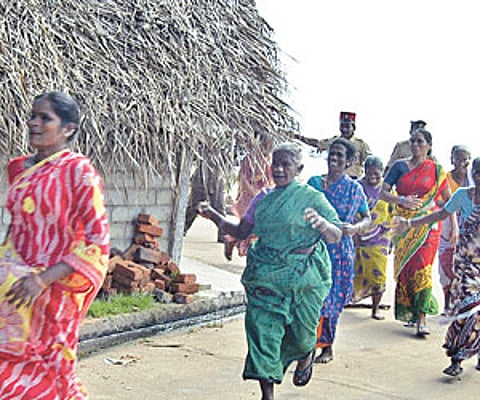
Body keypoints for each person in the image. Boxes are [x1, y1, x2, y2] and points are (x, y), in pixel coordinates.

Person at [197, 142, 342, 400]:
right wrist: (214, 216)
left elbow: (335, 235)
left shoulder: (313, 198)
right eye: (275, 163)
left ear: (298, 168)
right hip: (265, 276)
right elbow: (242, 231)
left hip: (303, 278)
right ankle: (267, 394)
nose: (278, 169)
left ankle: (305, 353)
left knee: (302, 336)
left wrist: (321, 224)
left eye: (285, 164)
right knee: (261, 330)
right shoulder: (263, 199)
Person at [0, 91, 110, 398]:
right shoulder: (18, 169)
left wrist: (42, 279)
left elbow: (97, 240)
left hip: (54, 290)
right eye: (32, 116)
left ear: (68, 128)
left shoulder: (79, 172)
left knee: (50, 366)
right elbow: (17, 227)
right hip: (15, 288)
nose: (34, 123)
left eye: (45, 118)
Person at [392, 156, 480, 377]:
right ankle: (457, 357)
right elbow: (441, 214)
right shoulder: (463, 195)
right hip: (465, 264)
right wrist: (410, 223)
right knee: (466, 309)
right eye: (477, 172)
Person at [380, 128, 453, 337]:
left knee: (423, 269)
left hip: (428, 227)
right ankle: (411, 311)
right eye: (412, 141)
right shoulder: (399, 166)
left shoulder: (437, 170)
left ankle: (422, 318)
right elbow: (383, 192)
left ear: (429, 146)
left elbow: (448, 201)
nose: (415, 145)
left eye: (420, 142)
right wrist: (401, 200)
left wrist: (453, 226)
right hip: (402, 224)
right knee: (406, 270)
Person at [306, 137, 371, 363]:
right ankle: (306, 345)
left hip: (339, 251)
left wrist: (354, 228)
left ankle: (326, 346)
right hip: (313, 247)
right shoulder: (314, 183)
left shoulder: (354, 190)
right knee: (310, 296)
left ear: (349, 162)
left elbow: (367, 219)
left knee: (330, 299)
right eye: (331, 154)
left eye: (339, 156)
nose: (333, 159)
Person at [352, 156, 392, 320]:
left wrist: (393, 239)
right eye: (369, 173)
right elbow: (351, 212)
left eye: (376, 174)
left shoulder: (388, 190)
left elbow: (392, 213)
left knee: (378, 275)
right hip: (359, 236)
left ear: (382, 173)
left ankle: (375, 309)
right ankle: (349, 300)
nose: (372, 177)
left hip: (381, 239)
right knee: (355, 273)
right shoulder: (356, 187)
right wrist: (354, 234)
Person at [224, 141, 274, 260]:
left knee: (257, 229)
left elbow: (271, 181)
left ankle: (235, 241)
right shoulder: (249, 159)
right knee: (249, 226)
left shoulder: (270, 160)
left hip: (263, 198)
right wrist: (254, 193)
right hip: (249, 198)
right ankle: (233, 240)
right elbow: (243, 179)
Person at [438, 145, 472, 314]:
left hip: (469, 230)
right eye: (458, 158)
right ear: (452, 159)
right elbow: (438, 200)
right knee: (446, 265)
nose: (461, 162)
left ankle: (462, 306)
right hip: (447, 226)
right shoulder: (445, 178)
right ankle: (446, 305)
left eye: (465, 159)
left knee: (466, 268)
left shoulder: (473, 180)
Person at [295, 111, 371, 179]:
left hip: (353, 178)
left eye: (347, 127)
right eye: (342, 126)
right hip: (335, 179)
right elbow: (318, 143)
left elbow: (370, 161)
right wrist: (299, 138)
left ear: (353, 128)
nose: (344, 129)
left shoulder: (361, 145)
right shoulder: (334, 141)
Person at [184, 162, 226, 242]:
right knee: (193, 207)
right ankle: (183, 228)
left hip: (216, 179)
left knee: (219, 209)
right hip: (201, 178)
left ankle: (222, 234)